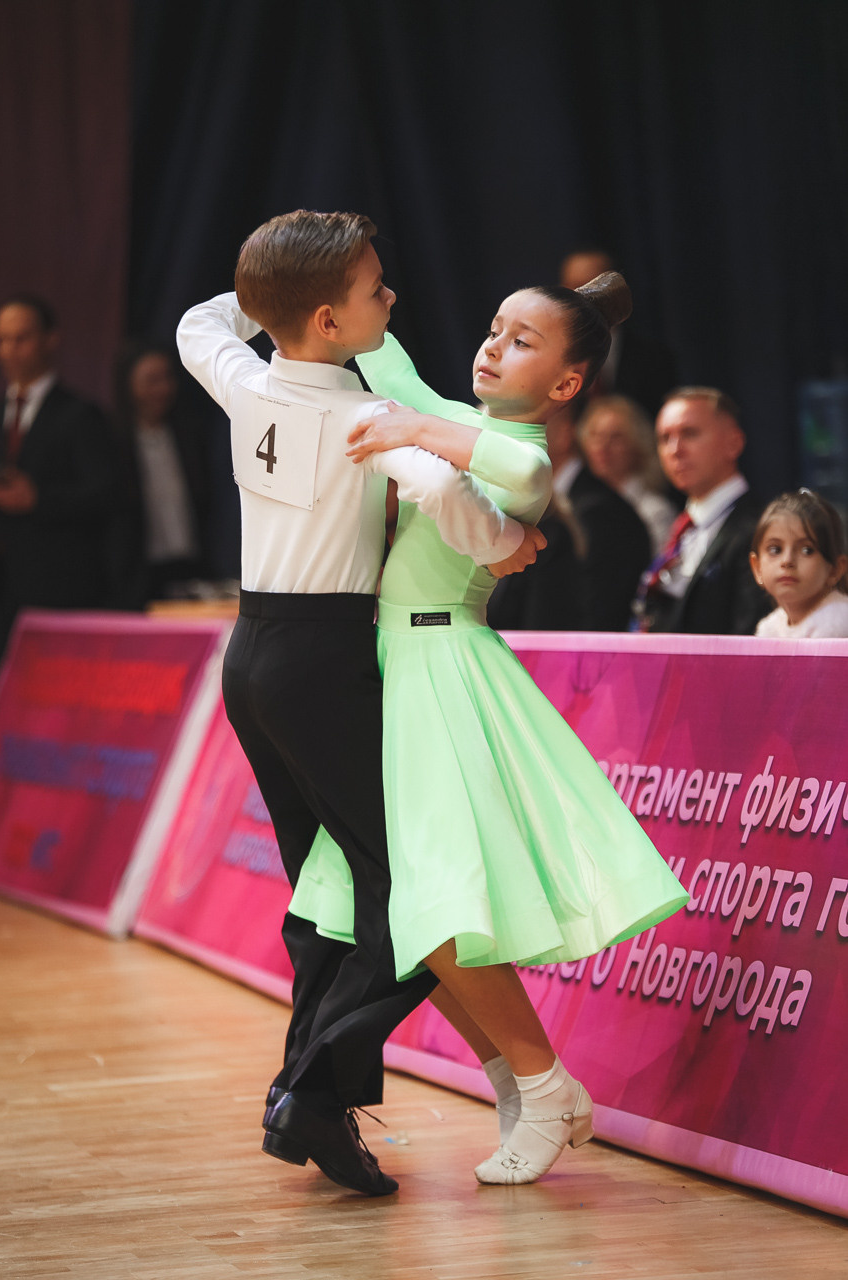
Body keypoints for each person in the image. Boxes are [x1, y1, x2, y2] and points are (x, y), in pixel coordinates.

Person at [291, 273, 689, 1186]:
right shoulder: (454, 420)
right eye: (493, 328)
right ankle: (521, 1082)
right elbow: (383, 362)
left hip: (443, 674)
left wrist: (412, 428)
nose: (491, 346)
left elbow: (515, 470)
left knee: (429, 908)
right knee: (415, 915)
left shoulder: (521, 452)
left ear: (564, 386)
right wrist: (360, 286)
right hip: (397, 673)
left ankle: (543, 1084)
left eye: (519, 341)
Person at [176, 210, 542, 1197]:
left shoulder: (243, 374)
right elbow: (445, 493)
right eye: (378, 288)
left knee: (324, 895)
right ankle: (305, 1088)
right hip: (325, 660)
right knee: (404, 889)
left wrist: (260, 303)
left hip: (250, 653)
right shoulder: (360, 418)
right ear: (333, 320)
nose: (395, 297)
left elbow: (196, 324)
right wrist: (505, 543)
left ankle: (318, 1107)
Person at [0, 294, 120, 663]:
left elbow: (107, 496)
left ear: (50, 339)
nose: (10, 350)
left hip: (58, 589)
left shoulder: (81, 415)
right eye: (2, 340)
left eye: (22, 338)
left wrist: (39, 500)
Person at [488, 391, 652, 632]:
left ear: (565, 434)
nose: (508, 440)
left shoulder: (599, 512)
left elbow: (591, 614)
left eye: (524, 426)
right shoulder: (553, 506)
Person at [634, 387, 770, 634]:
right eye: (665, 438)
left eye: (690, 434)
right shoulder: (683, 526)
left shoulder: (761, 530)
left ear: (734, 443)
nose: (675, 450)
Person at [111, 339, 212, 607]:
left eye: (167, 378)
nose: (163, 389)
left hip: (189, 565)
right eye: (151, 380)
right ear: (128, 383)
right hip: (136, 571)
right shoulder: (112, 439)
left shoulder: (189, 434)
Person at [559, 247, 677, 419]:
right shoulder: (551, 357)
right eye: (573, 286)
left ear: (615, 290)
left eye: (592, 285)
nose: (581, 296)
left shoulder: (654, 358)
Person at [579, 394, 677, 554]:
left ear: (637, 445)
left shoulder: (656, 511)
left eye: (616, 437)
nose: (603, 447)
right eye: (595, 435)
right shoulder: (578, 504)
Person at [750, 489, 848, 637]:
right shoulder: (769, 628)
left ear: (835, 569)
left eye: (807, 550)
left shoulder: (837, 622)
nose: (787, 561)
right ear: (757, 568)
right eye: (776, 550)